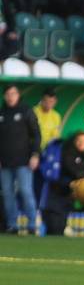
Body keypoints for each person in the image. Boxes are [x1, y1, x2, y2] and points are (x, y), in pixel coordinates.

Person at [0, 85, 40, 235]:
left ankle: (31, 224)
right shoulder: (1, 112)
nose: (11, 96)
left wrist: (35, 154)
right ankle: (12, 224)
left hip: (24, 161)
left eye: (13, 93)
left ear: (18, 95)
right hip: (4, 162)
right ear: (4, 96)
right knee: (8, 194)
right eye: (8, 94)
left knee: (25, 191)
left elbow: (36, 134)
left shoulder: (26, 111)